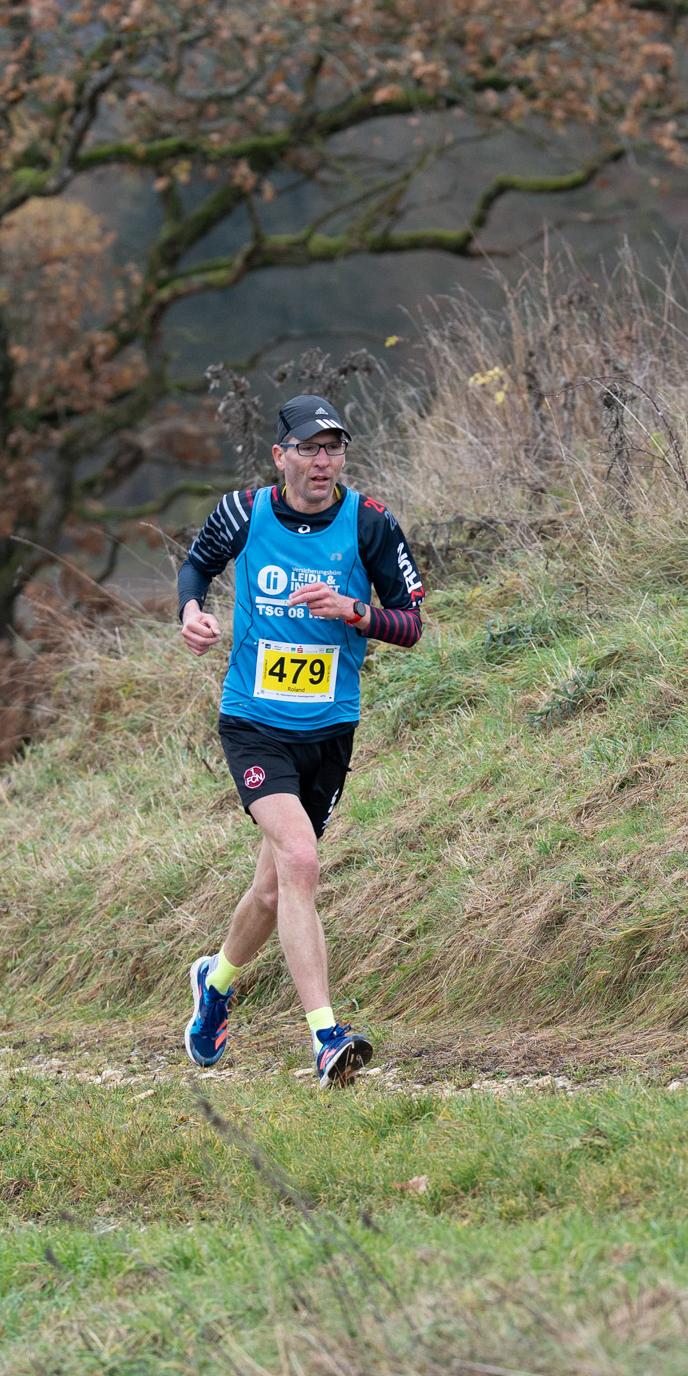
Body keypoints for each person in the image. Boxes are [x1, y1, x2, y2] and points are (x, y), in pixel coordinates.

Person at [178, 395, 425, 1087]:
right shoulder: (244, 511)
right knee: (301, 858)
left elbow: (411, 624)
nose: (323, 461)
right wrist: (191, 611)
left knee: (271, 891)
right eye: (310, 448)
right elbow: (196, 565)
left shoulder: (369, 522)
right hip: (254, 723)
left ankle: (214, 985)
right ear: (281, 455)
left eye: (333, 448)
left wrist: (355, 611)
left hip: (329, 730)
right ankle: (326, 1036)